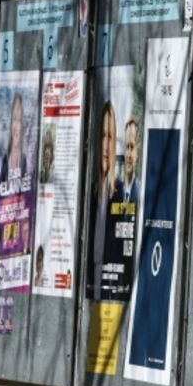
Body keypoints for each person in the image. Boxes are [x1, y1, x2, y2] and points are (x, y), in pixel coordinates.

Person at [87, 100, 128, 301]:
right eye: (102, 136)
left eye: (110, 137)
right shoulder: (90, 191)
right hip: (89, 282)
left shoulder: (119, 191)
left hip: (110, 287)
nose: (105, 145)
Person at [0, 93, 27, 184]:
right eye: (14, 119)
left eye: (19, 120)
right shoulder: (5, 160)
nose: (16, 126)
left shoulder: (24, 160)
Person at [122, 116, 140, 202]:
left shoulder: (140, 192)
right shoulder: (114, 192)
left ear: (137, 153)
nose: (129, 155)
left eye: (132, 147)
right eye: (127, 147)